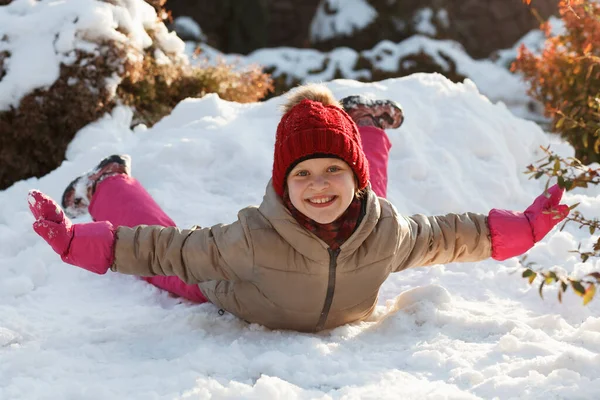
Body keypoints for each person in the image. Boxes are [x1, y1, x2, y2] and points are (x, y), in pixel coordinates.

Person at [28, 84, 569, 333]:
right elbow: (163, 246)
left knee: (368, 207)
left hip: (363, 222)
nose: (318, 185)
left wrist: (522, 228)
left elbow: (454, 234)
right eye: (302, 175)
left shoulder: (386, 231)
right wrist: (80, 241)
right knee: (174, 273)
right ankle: (107, 183)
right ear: (283, 186)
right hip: (241, 297)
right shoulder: (249, 241)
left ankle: (364, 129)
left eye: (333, 170)